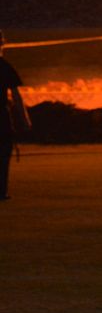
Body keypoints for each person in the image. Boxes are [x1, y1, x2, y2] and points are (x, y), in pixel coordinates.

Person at [0, 29, 29, 201]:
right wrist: (24, 119)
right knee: (3, 155)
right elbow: (16, 96)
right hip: (1, 117)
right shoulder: (5, 67)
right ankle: (1, 191)